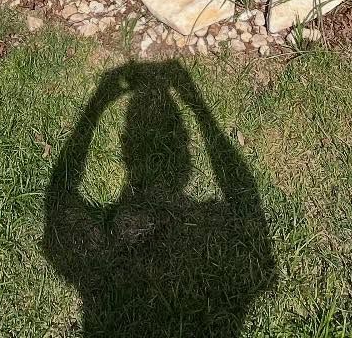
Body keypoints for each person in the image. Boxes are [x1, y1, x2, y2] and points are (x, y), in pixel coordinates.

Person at [43, 61, 274, 335]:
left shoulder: (91, 272)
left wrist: (97, 104)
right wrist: (196, 103)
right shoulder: (243, 275)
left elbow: (59, 201)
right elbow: (246, 202)